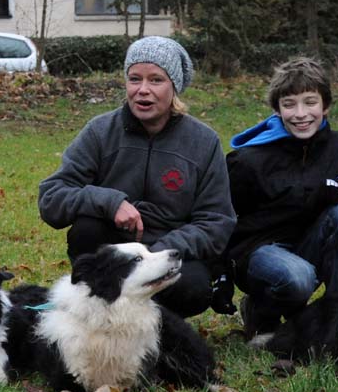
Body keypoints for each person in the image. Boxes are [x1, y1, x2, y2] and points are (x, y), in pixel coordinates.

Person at [37, 36, 236, 318]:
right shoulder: (100, 131)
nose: (143, 90)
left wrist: (160, 253)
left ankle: (161, 329)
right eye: (134, 79)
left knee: (194, 288)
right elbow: (51, 196)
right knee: (86, 229)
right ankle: (94, 316)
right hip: (117, 254)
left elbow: (217, 221)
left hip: (171, 251)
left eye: (156, 80)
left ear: (174, 86)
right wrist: (109, 201)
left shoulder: (204, 142)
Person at [218, 57, 338, 341]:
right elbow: (223, 219)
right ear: (277, 109)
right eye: (289, 104)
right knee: (297, 276)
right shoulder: (249, 160)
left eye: (310, 102)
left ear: (325, 105)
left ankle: (337, 320)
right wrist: (221, 274)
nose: (301, 114)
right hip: (260, 250)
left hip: (312, 243)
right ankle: (261, 310)